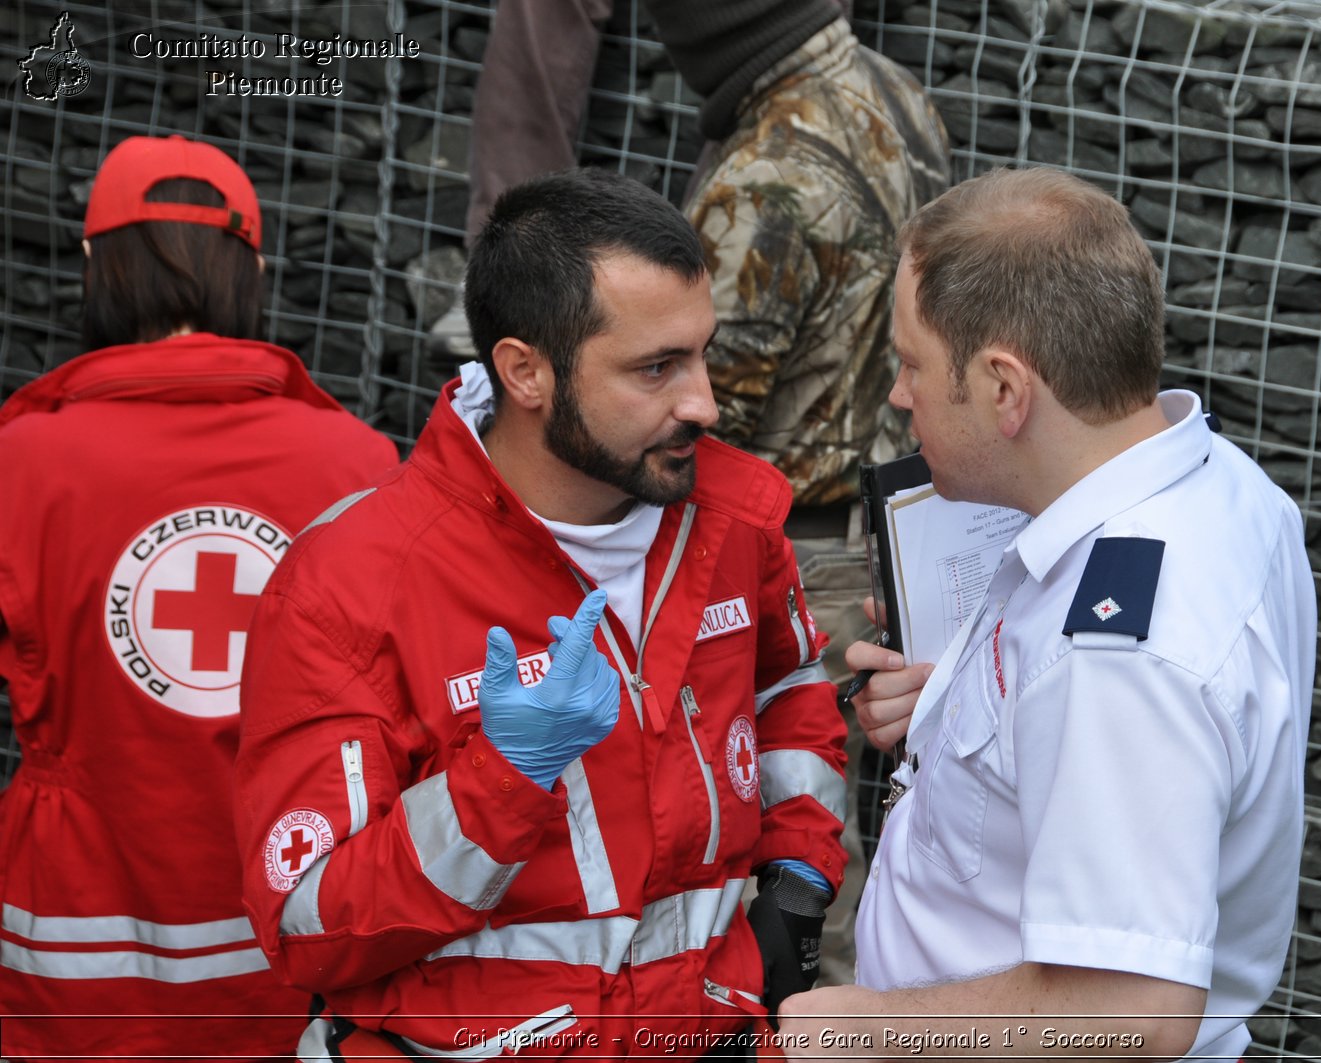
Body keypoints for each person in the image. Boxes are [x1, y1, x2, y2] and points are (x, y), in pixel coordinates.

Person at [234, 168, 848, 1058]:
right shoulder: (352, 583)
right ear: (525, 371)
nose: (704, 403)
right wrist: (504, 783)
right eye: (656, 367)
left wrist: (799, 877)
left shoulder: (734, 522)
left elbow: (787, 689)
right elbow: (304, 926)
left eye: (702, 352)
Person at [777, 167, 1317, 1060]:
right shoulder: (1218, 484)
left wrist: (871, 1024)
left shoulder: (1115, 659)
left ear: (1004, 389)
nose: (899, 395)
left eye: (911, 364)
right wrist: (952, 699)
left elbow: (1132, 1009)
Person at [0, 134, 399, 1062]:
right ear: (252, 271)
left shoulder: (20, 462)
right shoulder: (359, 464)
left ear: (97, 264)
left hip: (72, 959)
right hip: (292, 947)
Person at [650, 0, 950, 507]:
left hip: (787, 546)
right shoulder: (895, 88)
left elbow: (698, 421)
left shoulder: (758, 183)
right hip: (891, 522)